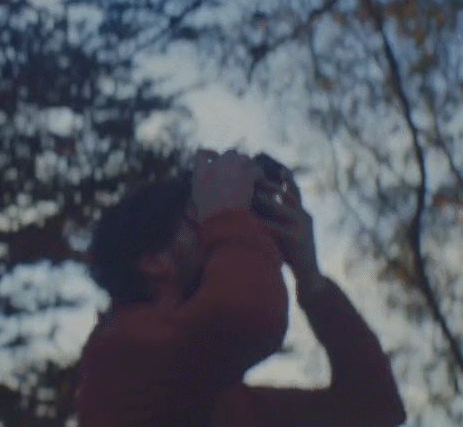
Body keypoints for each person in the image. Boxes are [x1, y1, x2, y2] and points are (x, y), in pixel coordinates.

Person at [76, 149, 407, 427]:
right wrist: (228, 215)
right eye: (201, 219)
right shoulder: (117, 359)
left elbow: (374, 410)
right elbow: (246, 315)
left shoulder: (228, 404)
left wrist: (311, 279)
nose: (217, 228)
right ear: (154, 260)